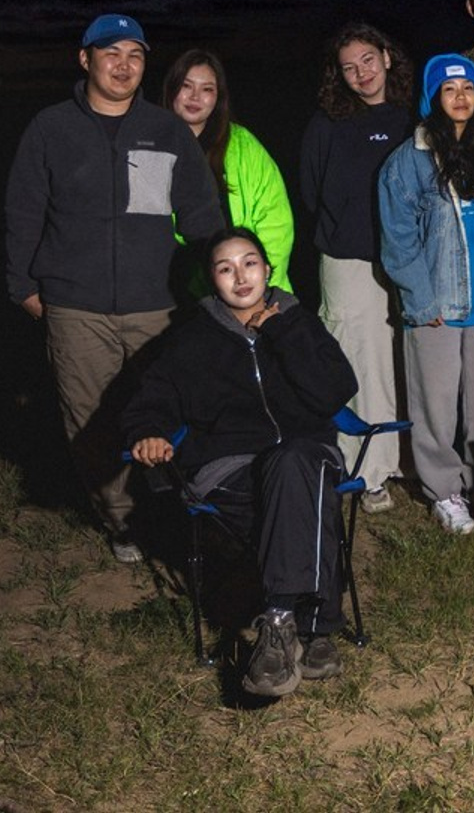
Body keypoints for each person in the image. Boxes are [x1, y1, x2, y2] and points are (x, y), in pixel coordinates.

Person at [5, 13, 224, 562]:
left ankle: (176, 505)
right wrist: (23, 284)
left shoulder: (166, 129)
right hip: (75, 304)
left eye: (135, 55)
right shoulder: (50, 128)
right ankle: (123, 521)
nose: (123, 65)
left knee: (171, 410)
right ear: (86, 60)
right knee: (92, 418)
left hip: (158, 303)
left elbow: (201, 213)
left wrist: (223, 282)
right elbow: (23, 211)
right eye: (111, 53)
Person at [124, 228, 358, 697]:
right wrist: (148, 431)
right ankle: (316, 627)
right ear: (212, 280)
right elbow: (153, 397)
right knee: (305, 496)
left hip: (305, 455)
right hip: (231, 470)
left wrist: (281, 331)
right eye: (225, 267)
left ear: (268, 269)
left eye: (249, 262)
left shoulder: (298, 321)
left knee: (296, 465)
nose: (240, 276)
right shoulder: (193, 338)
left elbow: (335, 389)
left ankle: (278, 620)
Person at [378, 54, 474, 534]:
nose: (460, 97)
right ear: (433, 99)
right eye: (449, 89)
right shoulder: (410, 160)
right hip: (437, 305)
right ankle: (445, 492)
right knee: (436, 406)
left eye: (467, 89)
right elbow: (397, 239)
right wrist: (421, 302)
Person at [299, 23, 413, 513]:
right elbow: (311, 189)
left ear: (387, 57)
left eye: (368, 60)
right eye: (349, 67)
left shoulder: (413, 117)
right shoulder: (327, 123)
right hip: (349, 259)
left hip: (408, 260)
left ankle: (403, 458)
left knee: (402, 362)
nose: (361, 73)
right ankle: (364, 472)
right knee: (356, 362)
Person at [163, 48, 295, 291]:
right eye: (186, 86)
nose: (195, 97)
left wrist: (257, 286)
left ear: (218, 97)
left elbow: (276, 221)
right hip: (181, 290)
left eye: (207, 89)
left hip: (251, 288)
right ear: (172, 89)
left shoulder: (243, 145)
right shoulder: (151, 145)